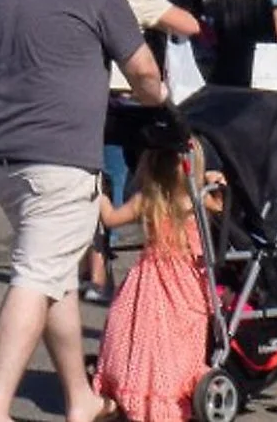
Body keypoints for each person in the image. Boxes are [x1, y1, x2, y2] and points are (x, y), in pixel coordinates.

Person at [0, 0, 168, 422]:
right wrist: (159, 99)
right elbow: (142, 69)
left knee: (54, 272)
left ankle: (80, 397)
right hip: (62, 153)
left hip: (4, 152)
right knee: (37, 275)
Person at [86, 0, 203, 301]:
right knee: (144, 181)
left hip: (84, 100)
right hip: (130, 99)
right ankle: (156, 268)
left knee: (102, 184)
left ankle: (98, 274)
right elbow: (190, 25)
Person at [94, 144, 212, 422]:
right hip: (187, 283)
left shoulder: (147, 199)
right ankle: (172, 392)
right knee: (178, 343)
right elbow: (226, 208)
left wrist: (98, 193)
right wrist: (215, 183)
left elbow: (110, 218)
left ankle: (130, 388)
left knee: (137, 334)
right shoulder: (197, 200)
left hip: (148, 281)